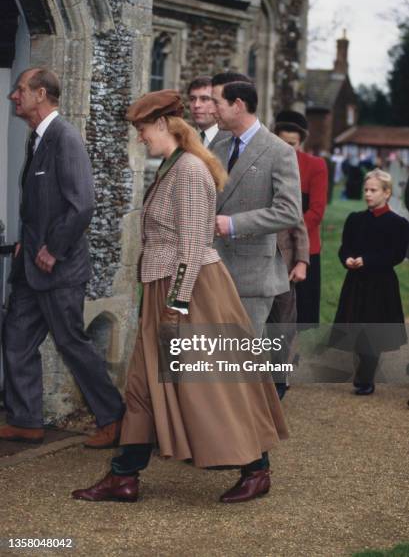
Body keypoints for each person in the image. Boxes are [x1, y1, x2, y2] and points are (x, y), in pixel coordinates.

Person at [72, 89, 289, 504]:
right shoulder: (172, 166)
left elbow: (193, 244)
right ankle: (124, 475)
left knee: (213, 385)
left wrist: (177, 303)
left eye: (141, 130)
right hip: (166, 288)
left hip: (191, 291)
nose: (139, 138)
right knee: (142, 384)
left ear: (162, 125)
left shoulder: (189, 170)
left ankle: (257, 469)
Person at [0, 68, 124, 447]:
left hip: (59, 269)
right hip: (29, 267)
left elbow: (82, 205)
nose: (12, 97)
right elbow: (42, 203)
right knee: (16, 338)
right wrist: (28, 242)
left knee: (72, 343)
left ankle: (115, 419)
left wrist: (53, 249)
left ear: (40, 94)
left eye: (20, 90)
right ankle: (26, 420)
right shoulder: (36, 140)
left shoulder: (65, 138)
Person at [211, 74, 302, 336]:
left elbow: (290, 212)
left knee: (239, 363)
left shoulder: (279, 151)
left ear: (237, 105)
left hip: (251, 277)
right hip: (210, 271)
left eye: (217, 103)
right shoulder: (218, 144)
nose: (211, 110)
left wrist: (234, 224)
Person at [332, 169, 409, 395]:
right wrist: (347, 259)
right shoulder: (355, 219)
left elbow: (395, 254)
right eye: (366, 190)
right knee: (355, 328)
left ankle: (366, 377)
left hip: (380, 284)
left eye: (373, 190)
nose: (368, 194)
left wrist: (367, 260)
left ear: (387, 193)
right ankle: (363, 370)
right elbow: (344, 247)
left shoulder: (398, 223)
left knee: (372, 332)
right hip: (355, 282)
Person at [274, 110, 328, 326]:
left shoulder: (315, 166)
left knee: (301, 313)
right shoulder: (266, 163)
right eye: (282, 143)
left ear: (301, 142)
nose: (287, 149)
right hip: (271, 246)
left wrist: (287, 232)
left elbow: (316, 211)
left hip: (303, 247)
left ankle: (292, 356)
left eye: (292, 144)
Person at [266, 223, 309, 399]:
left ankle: (279, 379)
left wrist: (302, 262)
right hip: (247, 265)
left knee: (284, 327)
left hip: (283, 266)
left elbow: (298, 226)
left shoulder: (284, 194)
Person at [187, 76, 230, 148]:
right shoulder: (183, 140)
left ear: (217, 102)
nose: (196, 105)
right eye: (192, 99)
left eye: (204, 99)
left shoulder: (231, 140)